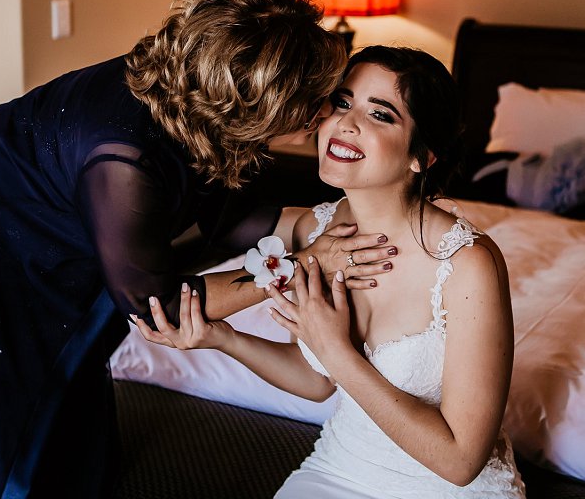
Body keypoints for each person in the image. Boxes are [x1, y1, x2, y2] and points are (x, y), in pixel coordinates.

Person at [0, 0, 399, 499]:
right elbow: (159, 304)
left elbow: (228, 216)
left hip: (43, 218)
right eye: (316, 104)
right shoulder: (123, 159)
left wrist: (321, 222)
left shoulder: (198, 98)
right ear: (258, 108)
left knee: (66, 398)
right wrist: (300, 264)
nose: (327, 114)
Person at [137, 46, 527, 498]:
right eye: (342, 102)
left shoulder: (467, 264)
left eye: (380, 115)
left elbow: (460, 462)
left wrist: (337, 350)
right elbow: (316, 381)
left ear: (422, 156)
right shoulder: (316, 231)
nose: (346, 122)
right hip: (342, 469)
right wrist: (223, 337)